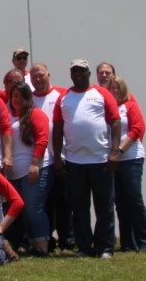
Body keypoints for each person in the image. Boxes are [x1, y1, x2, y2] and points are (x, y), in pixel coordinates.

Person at [53, 59, 121, 259]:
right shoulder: (64, 98)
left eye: (82, 71)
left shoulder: (101, 94)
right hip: (74, 162)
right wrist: (58, 157)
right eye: (74, 71)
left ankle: (105, 247)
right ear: (71, 74)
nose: (78, 74)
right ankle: (84, 246)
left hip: (100, 159)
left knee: (104, 206)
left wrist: (115, 151)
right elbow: (57, 129)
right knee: (79, 207)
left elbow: (115, 122)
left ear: (88, 72)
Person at [30, 62, 74, 254]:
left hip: (61, 157)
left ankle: (67, 242)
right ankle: (48, 241)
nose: (38, 80)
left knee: (63, 202)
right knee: (44, 203)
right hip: (41, 161)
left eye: (41, 75)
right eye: (34, 77)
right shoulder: (28, 99)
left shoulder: (62, 95)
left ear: (49, 75)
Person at [5, 82, 51, 256]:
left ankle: (42, 246)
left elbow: (42, 139)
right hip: (15, 172)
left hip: (33, 169)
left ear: (28, 98)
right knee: (23, 210)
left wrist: (34, 164)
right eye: (14, 96)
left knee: (34, 208)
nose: (17, 100)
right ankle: (32, 243)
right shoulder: (11, 116)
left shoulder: (36, 113)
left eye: (21, 96)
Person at [109, 76, 146, 252]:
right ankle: (127, 242)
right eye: (112, 88)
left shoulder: (130, 105)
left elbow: (137, 129)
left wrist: (119, 151)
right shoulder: (108, 108)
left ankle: (144, 241)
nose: (115, 90)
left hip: (130, 158)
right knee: (120, 202)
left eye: (118, 88)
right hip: (113, 161)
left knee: (134, 199)